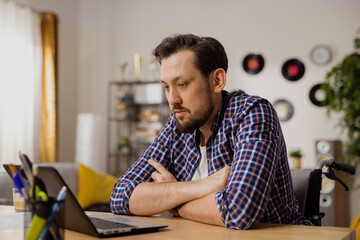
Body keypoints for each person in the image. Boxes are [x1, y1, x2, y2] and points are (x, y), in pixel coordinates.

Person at [110, 33, 311, 230]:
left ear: (217, 81)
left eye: (182, 84)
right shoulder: (177, 125)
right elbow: (120, 196)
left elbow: (238, 212)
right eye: (166, 87)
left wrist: (170, 200)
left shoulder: (253, 114)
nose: (173, 99)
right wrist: (202, 186)